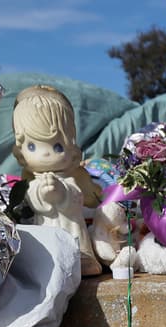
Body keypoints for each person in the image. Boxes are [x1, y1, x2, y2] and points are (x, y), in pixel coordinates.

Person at [12, 85, 103, 275]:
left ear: (71, 148)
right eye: (32, 146)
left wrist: (62, 193)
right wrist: (40, 193)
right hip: (45, 227)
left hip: (70, 225)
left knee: (74, 241)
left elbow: (77, 198)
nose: (45, 153)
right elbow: (30, 201)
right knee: (46, 255)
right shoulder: (31, 181)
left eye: (57, 147)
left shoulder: (71, 178)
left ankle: (81, 259)